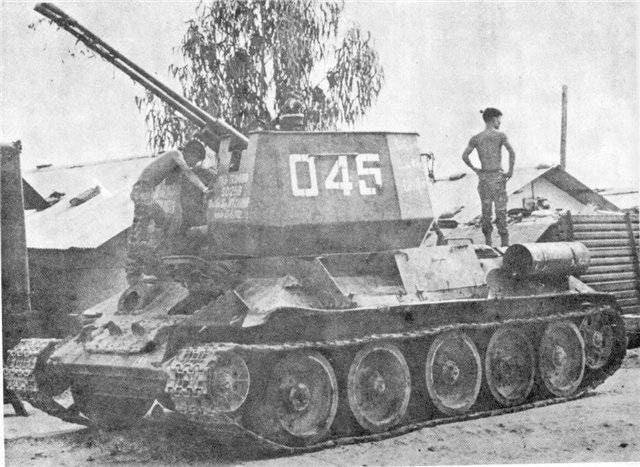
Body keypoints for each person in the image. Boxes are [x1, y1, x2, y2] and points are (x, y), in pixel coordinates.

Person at [125, 140, 210, 285]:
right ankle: (133, 274)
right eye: (194, 161)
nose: (192, 165)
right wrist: (205, 189)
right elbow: (188, 172)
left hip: (145, 192)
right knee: (140, 233)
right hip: (142, 191)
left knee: (164, 222)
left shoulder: (173, 164)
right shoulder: (175, 154)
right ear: (191, 153)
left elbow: (176, 189)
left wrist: (178, 216)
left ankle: (152, 263)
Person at [461, 108, 516, 247]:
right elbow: (512, 152)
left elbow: (465, 156)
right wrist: (510, 171)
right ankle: (505, 246)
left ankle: (488, 245)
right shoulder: (500, 135)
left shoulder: (476, 138)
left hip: (484, 178)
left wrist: (476, 170)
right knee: (501, 211)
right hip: (497, 177)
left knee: (486, 212)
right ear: (493, 119)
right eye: (499, 120)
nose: (500, 123)